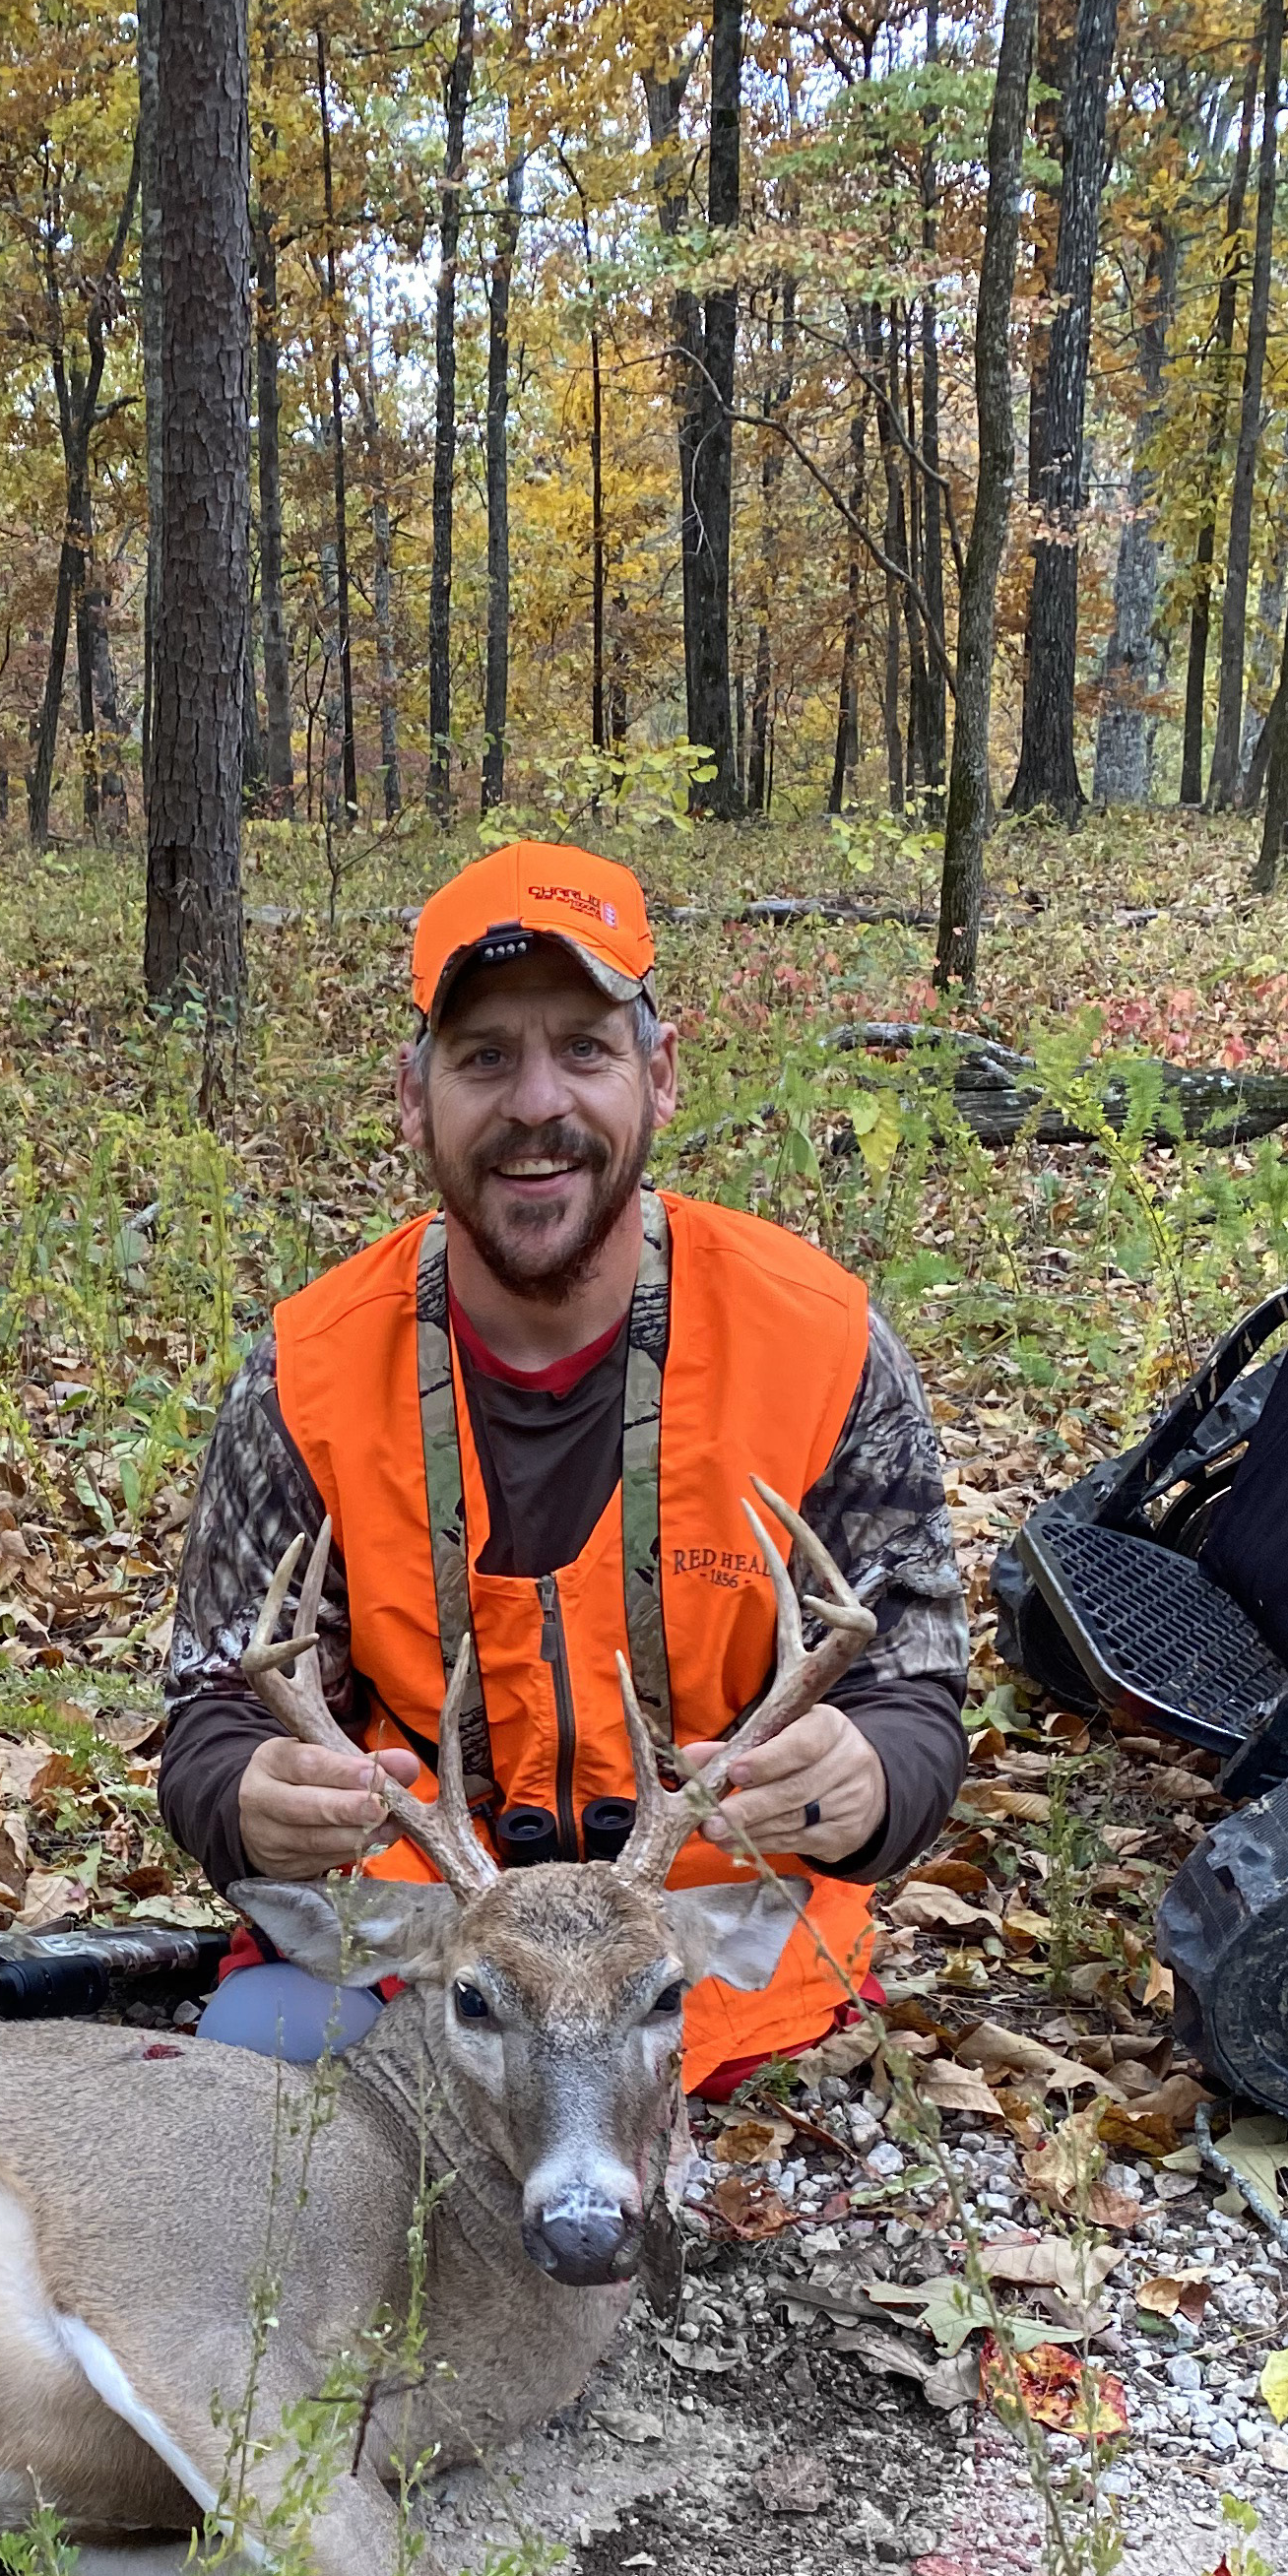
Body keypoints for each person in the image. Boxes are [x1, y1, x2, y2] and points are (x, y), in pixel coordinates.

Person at [161, 838, 970, 2086]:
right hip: (432, 1971)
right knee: (251, 2081)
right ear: (412, 1096)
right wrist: (246, 1797)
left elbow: (916, 1694)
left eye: (583, 1049)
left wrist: (868, 1782)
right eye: (485, 1058)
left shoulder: (817, 1340)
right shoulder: (309, 1369)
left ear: (659, 1075)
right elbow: (211, 1711)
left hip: (726, 1984)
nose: (537, 1103)